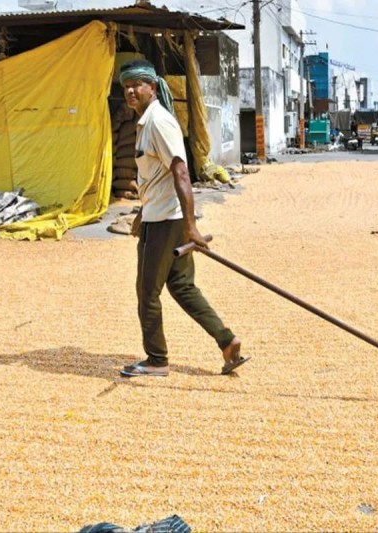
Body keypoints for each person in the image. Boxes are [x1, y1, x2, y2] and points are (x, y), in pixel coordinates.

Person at [118, 60, 247, 377]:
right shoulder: (146, 123)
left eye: (137, 84)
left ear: (152, 86)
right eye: (126, 86)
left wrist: (191, 226)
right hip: (158, 215)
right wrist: (141, 214)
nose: (131, 91)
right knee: (182, 285)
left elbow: (180, 172)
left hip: (166, 222)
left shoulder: (158, 122)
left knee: (148, 292)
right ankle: (227, 340)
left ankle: (156, 360)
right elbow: (157, 178)